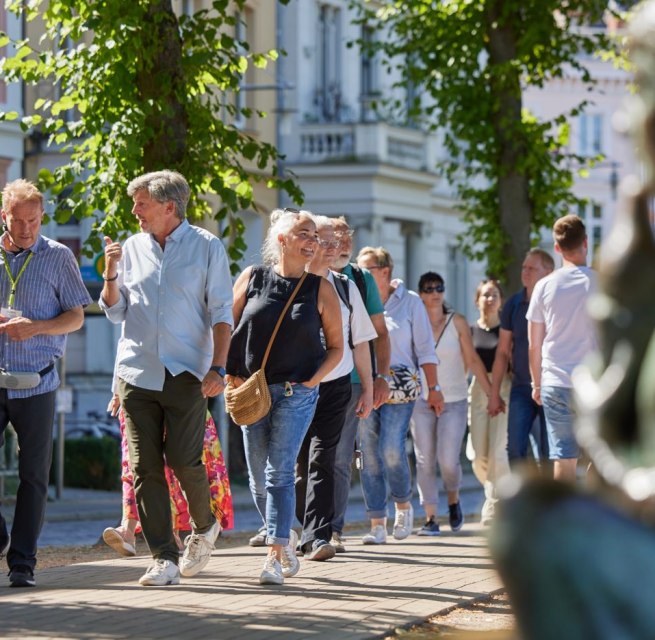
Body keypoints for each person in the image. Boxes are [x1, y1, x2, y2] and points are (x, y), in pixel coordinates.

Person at [100, 170, 233, 587]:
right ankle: (164, 557)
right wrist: (110, 274)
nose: (134, 211)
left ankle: (205, 524)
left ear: (169, 206)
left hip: (186, 373)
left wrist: (219, 369)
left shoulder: (206, 247)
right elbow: (115, 311)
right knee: (143, 468)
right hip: (136, 374)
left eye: (141, 203)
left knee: (181, 459)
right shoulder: (132, 249)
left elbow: (222, 314)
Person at [226, 208, 343, 585]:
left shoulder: (320, 288)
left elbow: (338, 349)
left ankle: (275, 554)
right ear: (282, 240)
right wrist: (226, 374)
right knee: (258, 479)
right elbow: (227, 327)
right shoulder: (253, 278)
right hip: (251, 391)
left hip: (297, 393)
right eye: (305, 235)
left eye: (315, 236)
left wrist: (312, 383)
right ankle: (285, 534)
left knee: (279, 472)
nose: (314, 242)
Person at [0, 179, 92, 587]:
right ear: (4, 217)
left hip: (36, 383)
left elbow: (76, 316)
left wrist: (35, 328)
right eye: (18, 221)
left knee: (33, 477)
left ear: (42, 217)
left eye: (33, 221)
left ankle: (23, 563)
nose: (25, 229)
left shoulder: (57, 257)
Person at [294, 215, 376, 560]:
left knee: (325, 459)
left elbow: (361, 343)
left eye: (334, 243)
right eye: (324, 242)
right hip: (294, 386)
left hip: (336, 385)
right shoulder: (290, 281)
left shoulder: (345, 285)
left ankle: (319, 534)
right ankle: (297, 529)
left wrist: (370, 388)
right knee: (297, 464)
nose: (332, 248)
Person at [356, 247, 444, 544]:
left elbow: (426, 350)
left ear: (384, 271)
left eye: (365, 268)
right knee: (369, 454)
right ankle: (377, 523)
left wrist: (434, 389)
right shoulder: (357, 300)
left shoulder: (410, 303)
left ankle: (403, 506)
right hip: (365, 384)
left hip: (400, 386)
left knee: (391, 448)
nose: (359, 273)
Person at [101, 392, 233, 557]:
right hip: (138, 396)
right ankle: (127, 530)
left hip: (181, 397)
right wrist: (118, 388)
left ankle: (173, 534)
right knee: (135, 466)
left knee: (176, 466)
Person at [328, 216, 391, 553]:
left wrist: (378, 378)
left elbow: (378, 333)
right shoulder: (307, 273)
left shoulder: (361, 279)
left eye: (347, 235)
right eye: (337, 235)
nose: (344, 241)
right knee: (306, 458)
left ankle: (333, 530)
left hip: (351, 380)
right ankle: (308, 525)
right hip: (310, 380)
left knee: (340, 457)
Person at [410, 272, 490, 535]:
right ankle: (431, 518)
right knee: (424, 460)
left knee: (447, 459)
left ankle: (453, 500)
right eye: (428, 288)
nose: (434, 293)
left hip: (454, 399)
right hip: (421, 400)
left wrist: (490, 392)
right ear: (420, 294)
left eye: (439, 288)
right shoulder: (414, 321)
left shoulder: (457, 322)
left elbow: (473, 359)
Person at [527, 214, 597, 482]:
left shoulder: (544, 286)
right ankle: (597, 514)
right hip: (592, 382)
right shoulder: (601, 282)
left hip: (554, 380)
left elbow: (535, 343)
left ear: (557, 248)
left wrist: (536, 383)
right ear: (586, 242)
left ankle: (564, 520)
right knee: (599, 456)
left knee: (563, 457)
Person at [488, 249, 555, 470]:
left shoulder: (556, 303)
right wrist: (494, 393)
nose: (525, 272)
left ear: (548, 271)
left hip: (551, 386)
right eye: (524, 267)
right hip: (521, 387)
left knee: (549, 453)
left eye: (532, 268)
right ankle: (527, 499)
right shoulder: (513, 304)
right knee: (515, 449)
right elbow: (503, 352)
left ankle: (550, 502)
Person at [468, 279, 510, 526]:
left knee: (497, 452)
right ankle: (499, 488)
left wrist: (498, 393)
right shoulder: (471, 331)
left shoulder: (506, 330)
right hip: (478, 389)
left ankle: (493, 505)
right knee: (478, 456)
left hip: (504, 387)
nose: (490, 299)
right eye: (485, 295)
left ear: (501, 301)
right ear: (477, 300)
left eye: (494, 295)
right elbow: (468, 364)